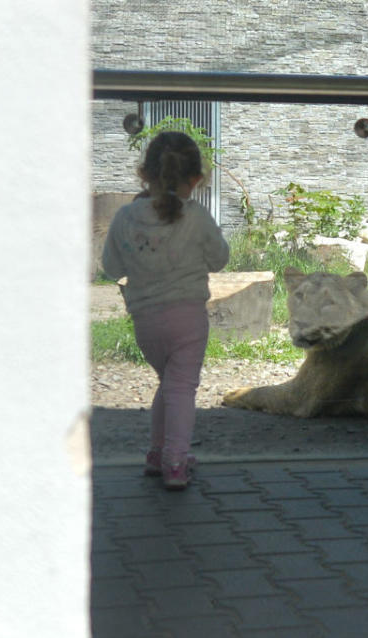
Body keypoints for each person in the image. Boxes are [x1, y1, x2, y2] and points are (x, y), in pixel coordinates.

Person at [101, 131, 229, 490]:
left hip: (146, 322)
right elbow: (220, 260)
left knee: (169, 384)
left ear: (144, 174)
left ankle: (157, 453)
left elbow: (111, 266)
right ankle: (176, 460)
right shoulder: (197, 216)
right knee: (182, 388)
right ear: (196, 179)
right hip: (188, 319)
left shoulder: (125, 217)